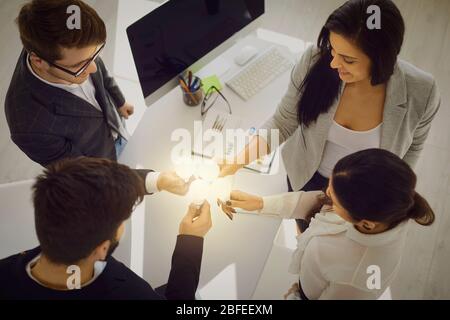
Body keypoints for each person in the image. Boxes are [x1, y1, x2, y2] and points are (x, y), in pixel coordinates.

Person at [218, 0, 441, 231]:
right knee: (305, 233)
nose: (334, 63)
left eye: (349, 59)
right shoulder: (315, 61)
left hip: (364, 195)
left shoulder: (421, 92)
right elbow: (283, 122)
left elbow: (413, 147)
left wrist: (386, 196)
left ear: (383, 58)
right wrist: (235, 163)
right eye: (333, 50)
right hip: (307, 175)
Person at [218, 149, 435, 300]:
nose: (326, 193)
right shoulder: (382, 207)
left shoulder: (356, 280)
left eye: (334, 198)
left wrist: (298, 294)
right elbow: (316, 202)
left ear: (366, 224)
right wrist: (260, 203)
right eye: (330, 186)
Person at [0, 157, 212, 300]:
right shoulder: (132, 294)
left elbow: (83, 190)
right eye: (123, 220)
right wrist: (190, 242)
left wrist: (156, 181)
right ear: (102, 248)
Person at [5, 0, 135, 166]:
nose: (93, 68)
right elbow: (83, 173)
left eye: (95, 55)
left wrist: (119, 101)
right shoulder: (29, 127)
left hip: (118, 126)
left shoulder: (73, 50)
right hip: (104, 164)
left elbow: (100, 71)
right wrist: (150, 181)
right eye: (79, 66)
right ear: (38, 61)